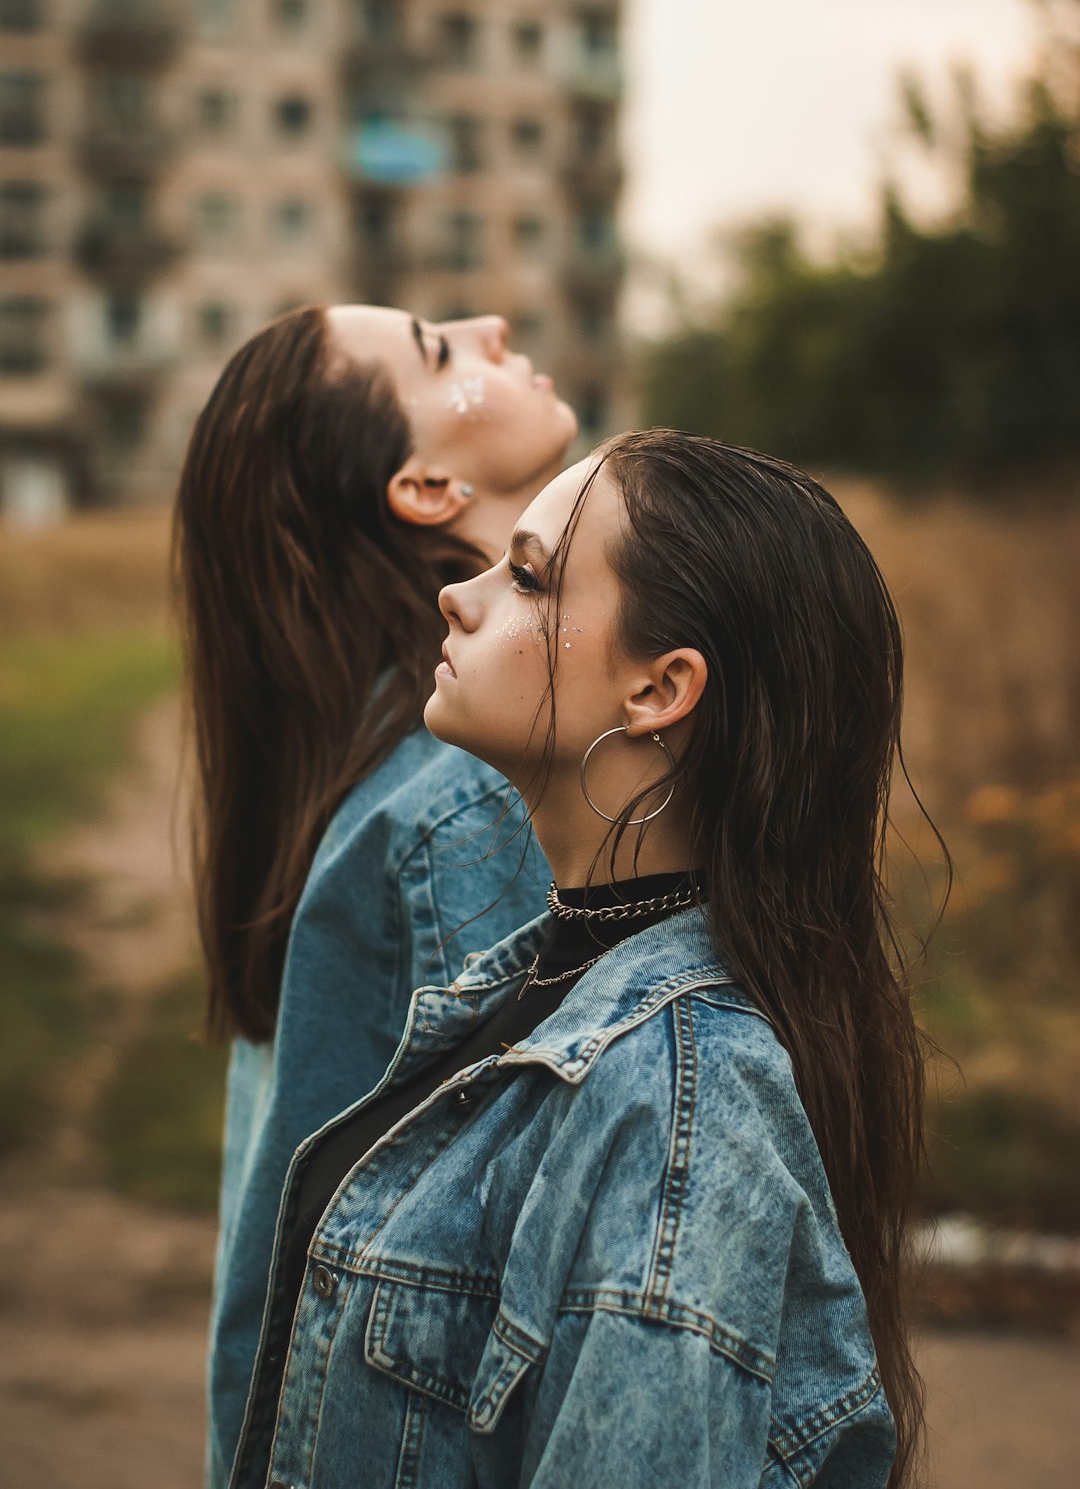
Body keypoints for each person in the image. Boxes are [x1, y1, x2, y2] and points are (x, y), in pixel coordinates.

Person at [226, 430, 931, 1489]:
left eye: (527, 576)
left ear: (658, 690)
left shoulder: (677, 1101)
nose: (458, 598)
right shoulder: (537, 985)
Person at [173, 304, 576, 1487]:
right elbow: (527, 1250)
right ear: (425, 488)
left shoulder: (373, 764)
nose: (491, 321)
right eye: (439, 351)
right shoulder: (470, 800)